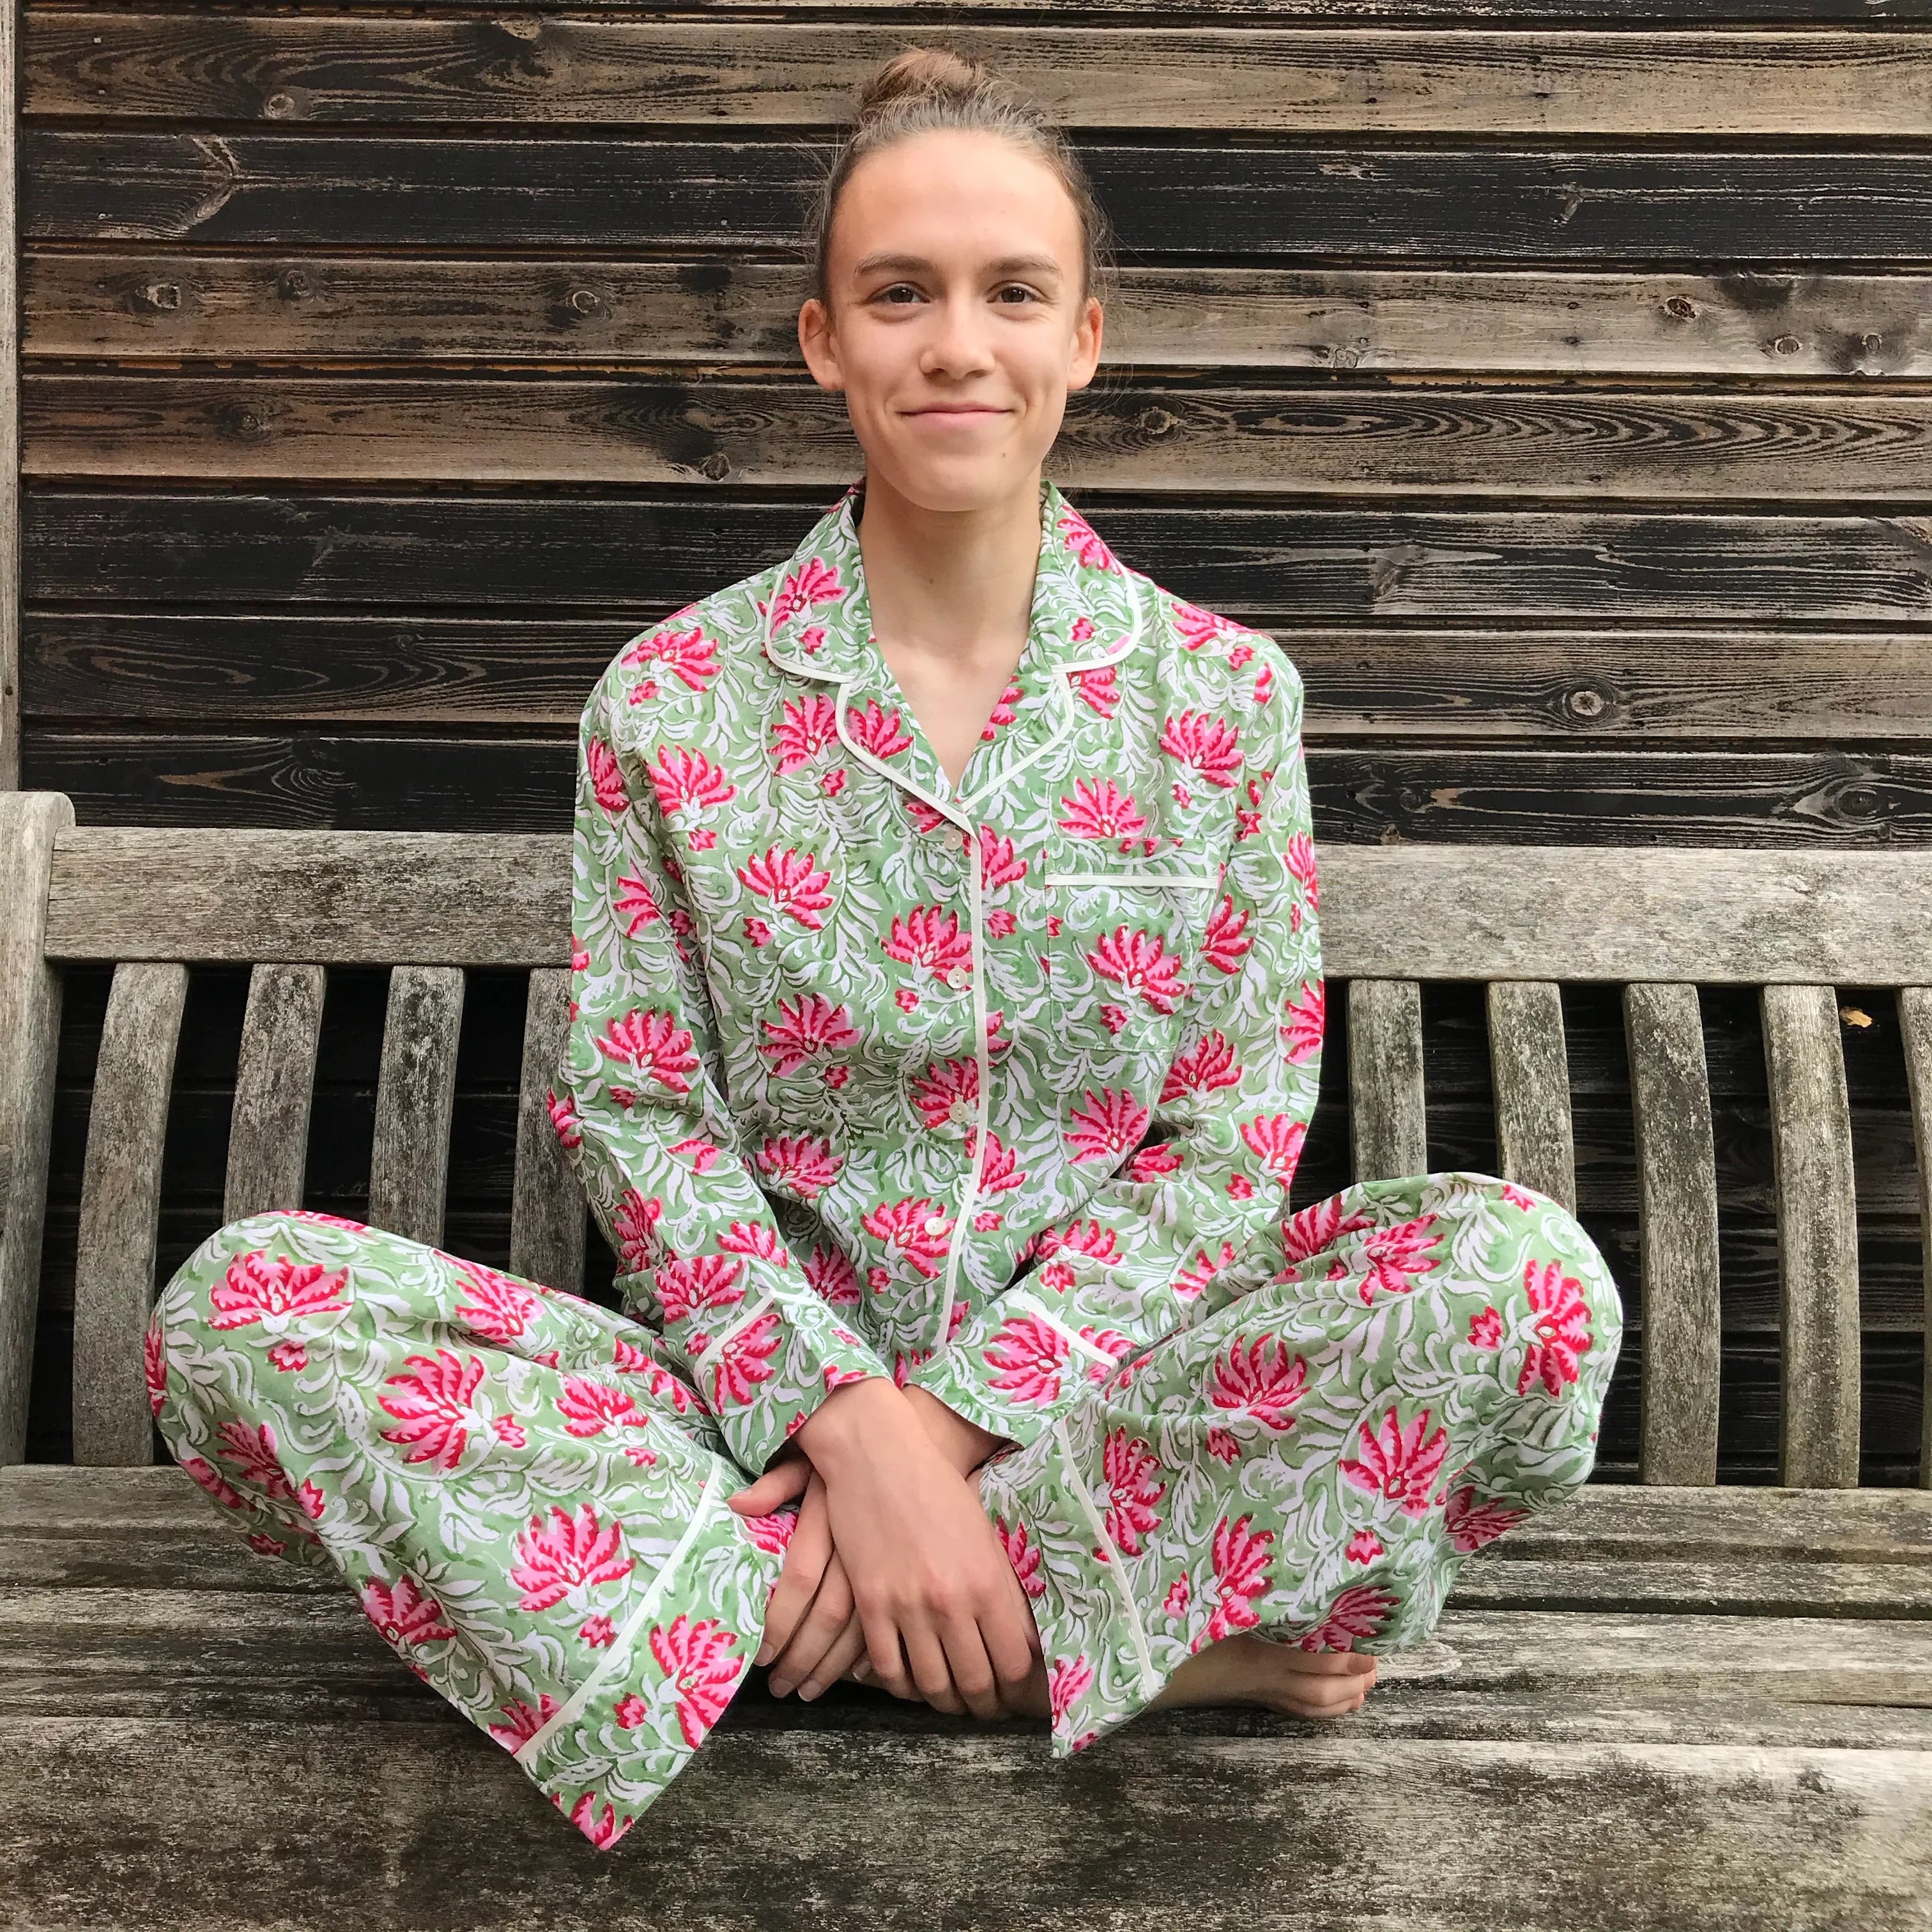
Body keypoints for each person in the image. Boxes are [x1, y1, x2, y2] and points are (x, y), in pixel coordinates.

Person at [144, 46, 1624, 1853]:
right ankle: (1085, 1650)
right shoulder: (669, 702)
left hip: (1115, 1421)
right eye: (900, 294)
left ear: (1086, 337)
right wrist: (847, 1426)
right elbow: (639, 1110)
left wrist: (962, 1432)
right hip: (746, 1438)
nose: (956, 345)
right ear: (822, 341)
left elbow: (1233, 1130)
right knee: (240, 1314)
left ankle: (744, 1630)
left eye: (1014, 293)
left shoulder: (1224, 699)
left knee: (1521, 1281)